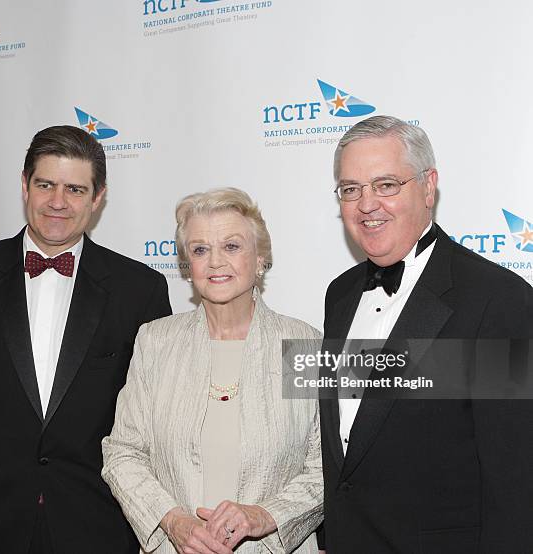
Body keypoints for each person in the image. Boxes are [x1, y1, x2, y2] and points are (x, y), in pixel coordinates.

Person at [0, 125, 172, 554]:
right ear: (24, 185)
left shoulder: (140, 289)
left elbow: (154, 410)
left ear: (98, 198)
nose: (58, 202)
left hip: (95, 522)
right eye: (45, 184)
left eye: (75, 189)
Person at [320, 115, 533, 553]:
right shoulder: (339, 295)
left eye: (386, 185)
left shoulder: (496, 300)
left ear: (428, 186)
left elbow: (514, 483)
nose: (366, 204)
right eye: (351, 189)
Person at [102, 187, 323, 553]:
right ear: (188, 266)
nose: (216, 262)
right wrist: (173, 520)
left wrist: (265, 516)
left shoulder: (303, 343)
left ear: (260, 258)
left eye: (232, 246)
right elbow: (123, 452)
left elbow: (326, 466)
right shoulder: (156, 341)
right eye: (201, 250)